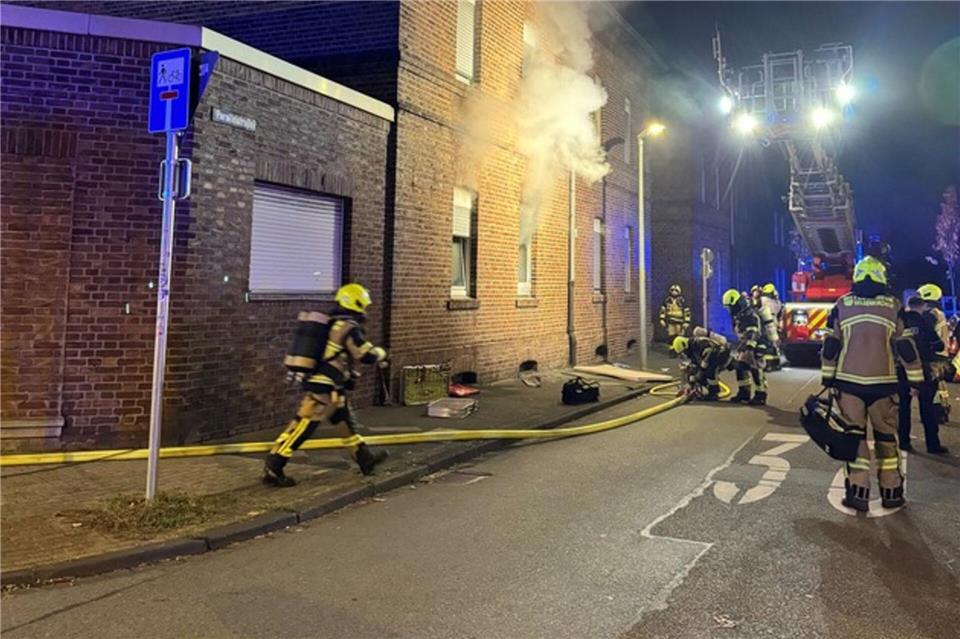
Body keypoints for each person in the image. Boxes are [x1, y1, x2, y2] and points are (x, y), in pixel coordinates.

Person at [821, 257, 924, 511]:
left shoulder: (842, 304)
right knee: (886, 438)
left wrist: (827, 378)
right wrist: (915, 381)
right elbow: (906, 347)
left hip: (849, 385)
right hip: (884, 385)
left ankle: (858, 494)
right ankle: (891, 492)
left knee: (854, 438)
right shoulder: (893, 305)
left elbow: (831, 346)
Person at [264, 283, 389, 487]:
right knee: (304, 425)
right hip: (323, 386)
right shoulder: (348, 327)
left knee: (344, 423)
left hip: (332, 385)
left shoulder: (334, 323)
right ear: (356, 303)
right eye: (364, 305)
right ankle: (274, 465)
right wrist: (382, 354)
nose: (365, 310)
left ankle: (365, 459)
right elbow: (364, 354)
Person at [897, 296, 947, 454]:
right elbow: (938, 345)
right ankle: (932, 445)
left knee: (903, 407)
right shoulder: (924, 321)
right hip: (924, 370)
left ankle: (904, 442)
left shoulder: (900, 322)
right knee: (927, 408)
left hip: (902, 370)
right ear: (922, 306)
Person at [722, 289, 767, 405]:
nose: (729, 310)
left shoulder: (749, 314)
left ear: (737, 304)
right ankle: (744, 392)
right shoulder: (740, 314)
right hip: (746, 345)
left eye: (730, 307)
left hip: (756, 345)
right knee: (740, 367)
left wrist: (750, 348)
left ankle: (761, 394)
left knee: (756, 369)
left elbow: (754, 332)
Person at [917, 283, 952, 427]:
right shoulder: (939, 313)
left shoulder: (930, 314)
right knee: (940, 385)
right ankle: (943, 409)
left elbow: (926, 334)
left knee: (933, 386)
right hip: (941, 355)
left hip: (933, 355)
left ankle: (936, 413)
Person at [671, 329, 732, 401]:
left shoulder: (698, 343)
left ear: (685, 345)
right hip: (711, 359)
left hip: (719, 356)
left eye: (684, 351)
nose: (685, 353)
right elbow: (695, 363)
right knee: (695, 373)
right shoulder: (690, 349)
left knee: (708, 371)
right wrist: (691, 381)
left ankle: (713, 393)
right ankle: (694, 390)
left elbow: (709, 353)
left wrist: (701, 370)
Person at [759, 283, 783, 371]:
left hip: (765, 323)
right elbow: (780, 313)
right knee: (774, 344)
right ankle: (776, 364)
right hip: (774, 323)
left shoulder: (762, 300)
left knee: (766, 344)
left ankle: (767, 365)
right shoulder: (778, 302)